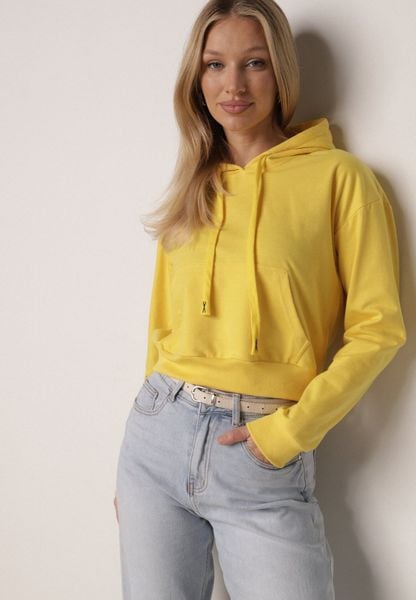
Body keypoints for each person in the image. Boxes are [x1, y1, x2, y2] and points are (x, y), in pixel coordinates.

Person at [114, 1, 406, 598]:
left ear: (281, 73)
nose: (234, 85)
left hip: (261, 448)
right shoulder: (194, 183)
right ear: (197, 79)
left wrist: (288, 435)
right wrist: (143, 455)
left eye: (255, 63)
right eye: (215, 65)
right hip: (156, 443)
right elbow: (162, 326)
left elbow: (378, 328)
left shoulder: (341, 179)